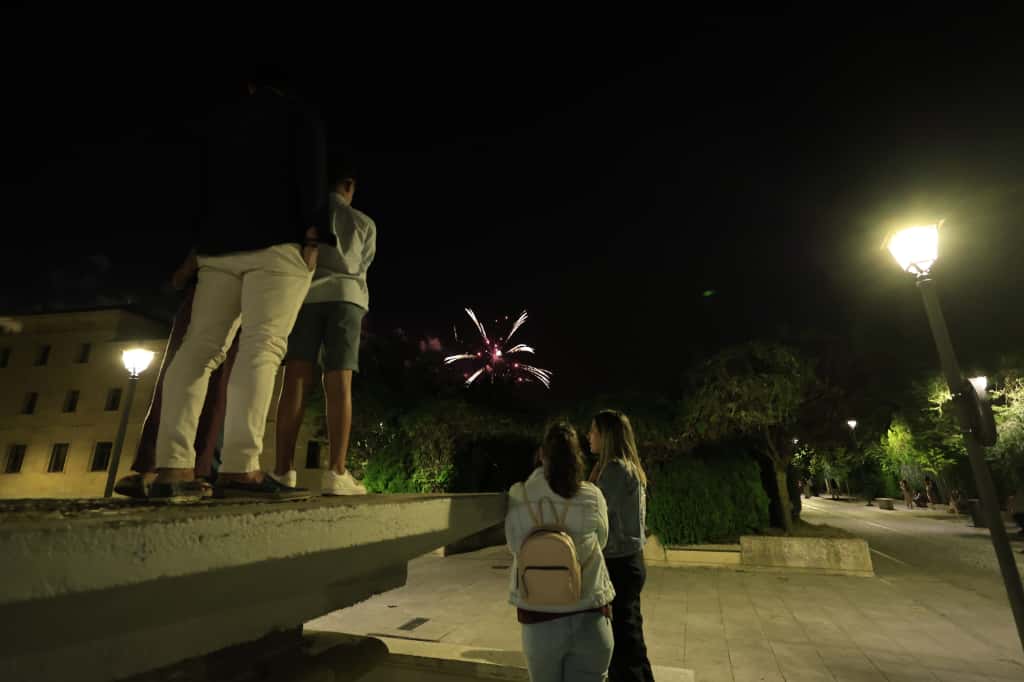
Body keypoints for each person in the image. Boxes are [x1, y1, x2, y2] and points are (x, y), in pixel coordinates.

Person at [150, 72, 335, 500]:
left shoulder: (220, 120)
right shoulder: (298, 113)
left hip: (218, 246)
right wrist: (313, 236)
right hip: (279, 244)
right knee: (261, 349)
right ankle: (240, 466)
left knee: (198, 349)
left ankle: (172, 466)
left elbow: (202, 188)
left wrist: (198, 249)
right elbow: (311, 173)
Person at [270, 163, 376, 495]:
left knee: (295, 380)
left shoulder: (307, 217)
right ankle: (336, 472)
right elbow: (364, 264)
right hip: (347, 298)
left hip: (306, 297)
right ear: (348, 185)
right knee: (339, 383)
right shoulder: (363, 222)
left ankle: (282, 470)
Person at [114, 252, 238, 498]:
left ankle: (201, 471)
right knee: (181, 371)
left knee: (220, 385)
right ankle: (157, 466)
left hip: (241, 280)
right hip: (211, 278)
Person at [505, 422, 616, 682]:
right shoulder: (592, 496)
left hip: (539, 622)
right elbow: (602, 541)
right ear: (576, 457)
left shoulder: (519, 496)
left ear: (541, 455)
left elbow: (514, 546)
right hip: (590, 617)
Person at [588, 410, 655, 682]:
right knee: (630, 638)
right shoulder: (627, 468)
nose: (589, 436)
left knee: (625, 644)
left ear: (606, 436)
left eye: (593, 431)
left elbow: (595, 515)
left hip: (620, 564)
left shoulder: (615, 471)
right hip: (630, 562)